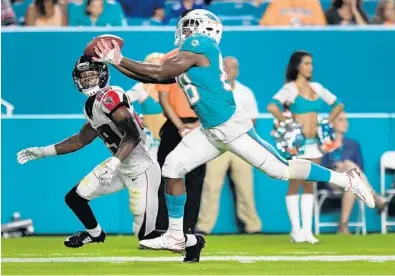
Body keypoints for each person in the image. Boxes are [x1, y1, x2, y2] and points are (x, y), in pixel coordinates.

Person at [92, 9, 375, 252]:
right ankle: (176, 235)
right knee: (172, 168)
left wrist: (118, 59)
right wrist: (115, 62)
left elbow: (159, 72)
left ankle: (346, 179)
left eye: (191, 26)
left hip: (231, 127)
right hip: (211, 130)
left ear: (205, 30)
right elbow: (152, 75)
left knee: (282, 171)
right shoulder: (190, 53)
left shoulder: (202, 45)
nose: (185, 30)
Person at [16, 56, 205, 262]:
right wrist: (43, 151)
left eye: (92, 75)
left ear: (103, 75)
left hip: (142, 170)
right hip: (121, 166)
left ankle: (193, 241)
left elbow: (132, 135)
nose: (88, 80)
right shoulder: (91, 105)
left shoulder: (111, 96)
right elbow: (80, 140)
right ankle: (95, 233)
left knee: (146, 237)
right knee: (75, 198)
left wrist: (114, 163)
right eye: (84, 77)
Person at [267, 51, 344, 244]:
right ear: (298, 66)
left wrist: (327, 121)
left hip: (314, 145)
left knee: (311, 183)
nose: (311, 67)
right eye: (307, 64)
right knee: (294, 182)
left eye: (311, 64)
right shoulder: (289, 88)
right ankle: (295, 229)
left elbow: (338, 105)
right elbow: (272, 106)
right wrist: (287, 124)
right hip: (297, 144)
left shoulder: (317, 88)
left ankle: (307, 231)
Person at [196, 56, 262, 234]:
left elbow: (253, 119)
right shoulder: (211, 90)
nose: (229, 70)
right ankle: (204, 226)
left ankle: (252, 226)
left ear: (237, 70)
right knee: (211, 186)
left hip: (241, 145)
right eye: (225, 66)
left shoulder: (246, 93)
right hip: (218, 145)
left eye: (233, 67)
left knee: (245, 187)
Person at [155, 48, 206, 234]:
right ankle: (160, 227)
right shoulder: (169, 58)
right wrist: (181, 126)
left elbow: (213, 96)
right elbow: (164, 99)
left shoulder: (209, 58)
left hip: (200, 124)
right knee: (164, 176)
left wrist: (199, 123)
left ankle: (188, 230)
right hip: (175, 125)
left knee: (196, 179)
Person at [321, 112, 387, 234]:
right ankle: (374, 196)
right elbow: (322, 166)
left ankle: (342, 226)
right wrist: (339, 165)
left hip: (351, 179)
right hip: (331, 179)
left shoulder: (353, 145)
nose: (345, 123)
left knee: (352, 182)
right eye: (341, 120)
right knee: (350, 168)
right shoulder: (325, 143)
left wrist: (347, 166)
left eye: (346, 120)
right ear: (332, 123)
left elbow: (360, 168)